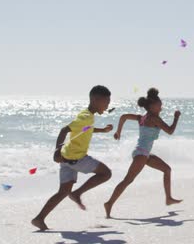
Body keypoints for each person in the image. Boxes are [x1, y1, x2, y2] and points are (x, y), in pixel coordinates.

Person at [31, 85, 114, 231]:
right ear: (95, 99)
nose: (107, 105)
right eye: (106, 102)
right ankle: (77, 193)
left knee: (63, 192)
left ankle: (39, 218)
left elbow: (85, 129)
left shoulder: (87, 115)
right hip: (77, 159)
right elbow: (65, 129)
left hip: (66, 159)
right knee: (106, 173)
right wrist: (56, 150)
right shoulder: (86, 116)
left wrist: (103, 130)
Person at [104, 88, 182, 218]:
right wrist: (176, 118)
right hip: (141, 154)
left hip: (143, 153)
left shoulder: (142, 117)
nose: (161, 106)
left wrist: (118, 132)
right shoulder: (154, 119)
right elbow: (170, 131)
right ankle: (109, 203)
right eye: (159, 105)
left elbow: (123, 117)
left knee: (167, 170)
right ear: (151, 107)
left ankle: (168, 198)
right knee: (127, 180)